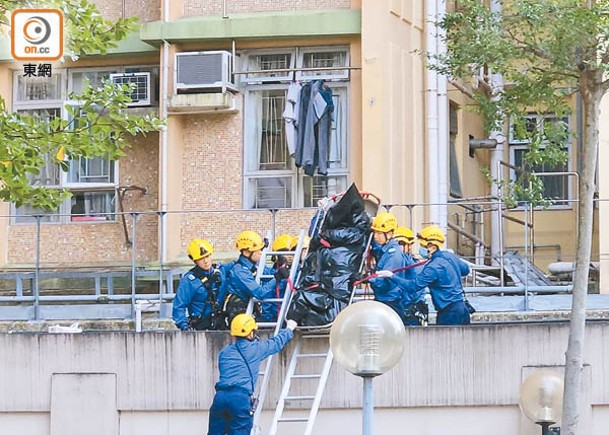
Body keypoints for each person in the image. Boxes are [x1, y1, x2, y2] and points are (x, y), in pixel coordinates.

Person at [208, 314, 297, 435]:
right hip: (240, 399)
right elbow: (275, 344)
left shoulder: (225, 352)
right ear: (250, 333)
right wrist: (289, 329)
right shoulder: (255, 349)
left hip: (220, 398)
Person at [396, 225, 471, 325]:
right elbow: (465, 270)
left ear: (432, 247)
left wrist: (392, 276)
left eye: (423, 246)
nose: (420, 249)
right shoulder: (449, 256)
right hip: (463, 309)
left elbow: (413, 286)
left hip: (449, 313)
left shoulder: (433, 267)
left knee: (446, 340)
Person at [223, 230, 278, 324]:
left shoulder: (254, 265)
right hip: (239, 315)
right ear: (246, 252)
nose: (261, 252)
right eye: (258, 250)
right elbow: (259, 293)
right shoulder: (239, 271)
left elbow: (269, 273)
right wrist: (277, 278)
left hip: (249, 310)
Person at [172, 239, 226, 331]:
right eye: (201, 258)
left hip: (220, 326)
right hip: (199, 327)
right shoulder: (189, 281)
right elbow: (179, 306)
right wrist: (184, 326)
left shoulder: (221, 272)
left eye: (207, 256)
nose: (205, 261)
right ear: (194, 260)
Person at [366, 212, 410, 324]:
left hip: (390, 303)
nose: (376, 236)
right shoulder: (385, 249)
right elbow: (377, 249)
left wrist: (368, 278)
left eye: (379, 233)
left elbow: (384, 284)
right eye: (374, 233)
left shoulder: (394, 255)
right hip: (384, 301)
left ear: (389, 234)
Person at [389, 226, 429, 325]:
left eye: (400, 244)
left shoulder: (411, 264)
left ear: (409, 245)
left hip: (410, 310)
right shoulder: (399, 260)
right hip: (403, 308)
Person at [259, 234, 297, 322]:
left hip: (293, 317)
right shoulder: (270, 274)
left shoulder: (298, 272)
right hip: (276, 318)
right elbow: (267, 300)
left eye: (291, 252)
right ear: (276, 256)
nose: (290, 256)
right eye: (285, 253)